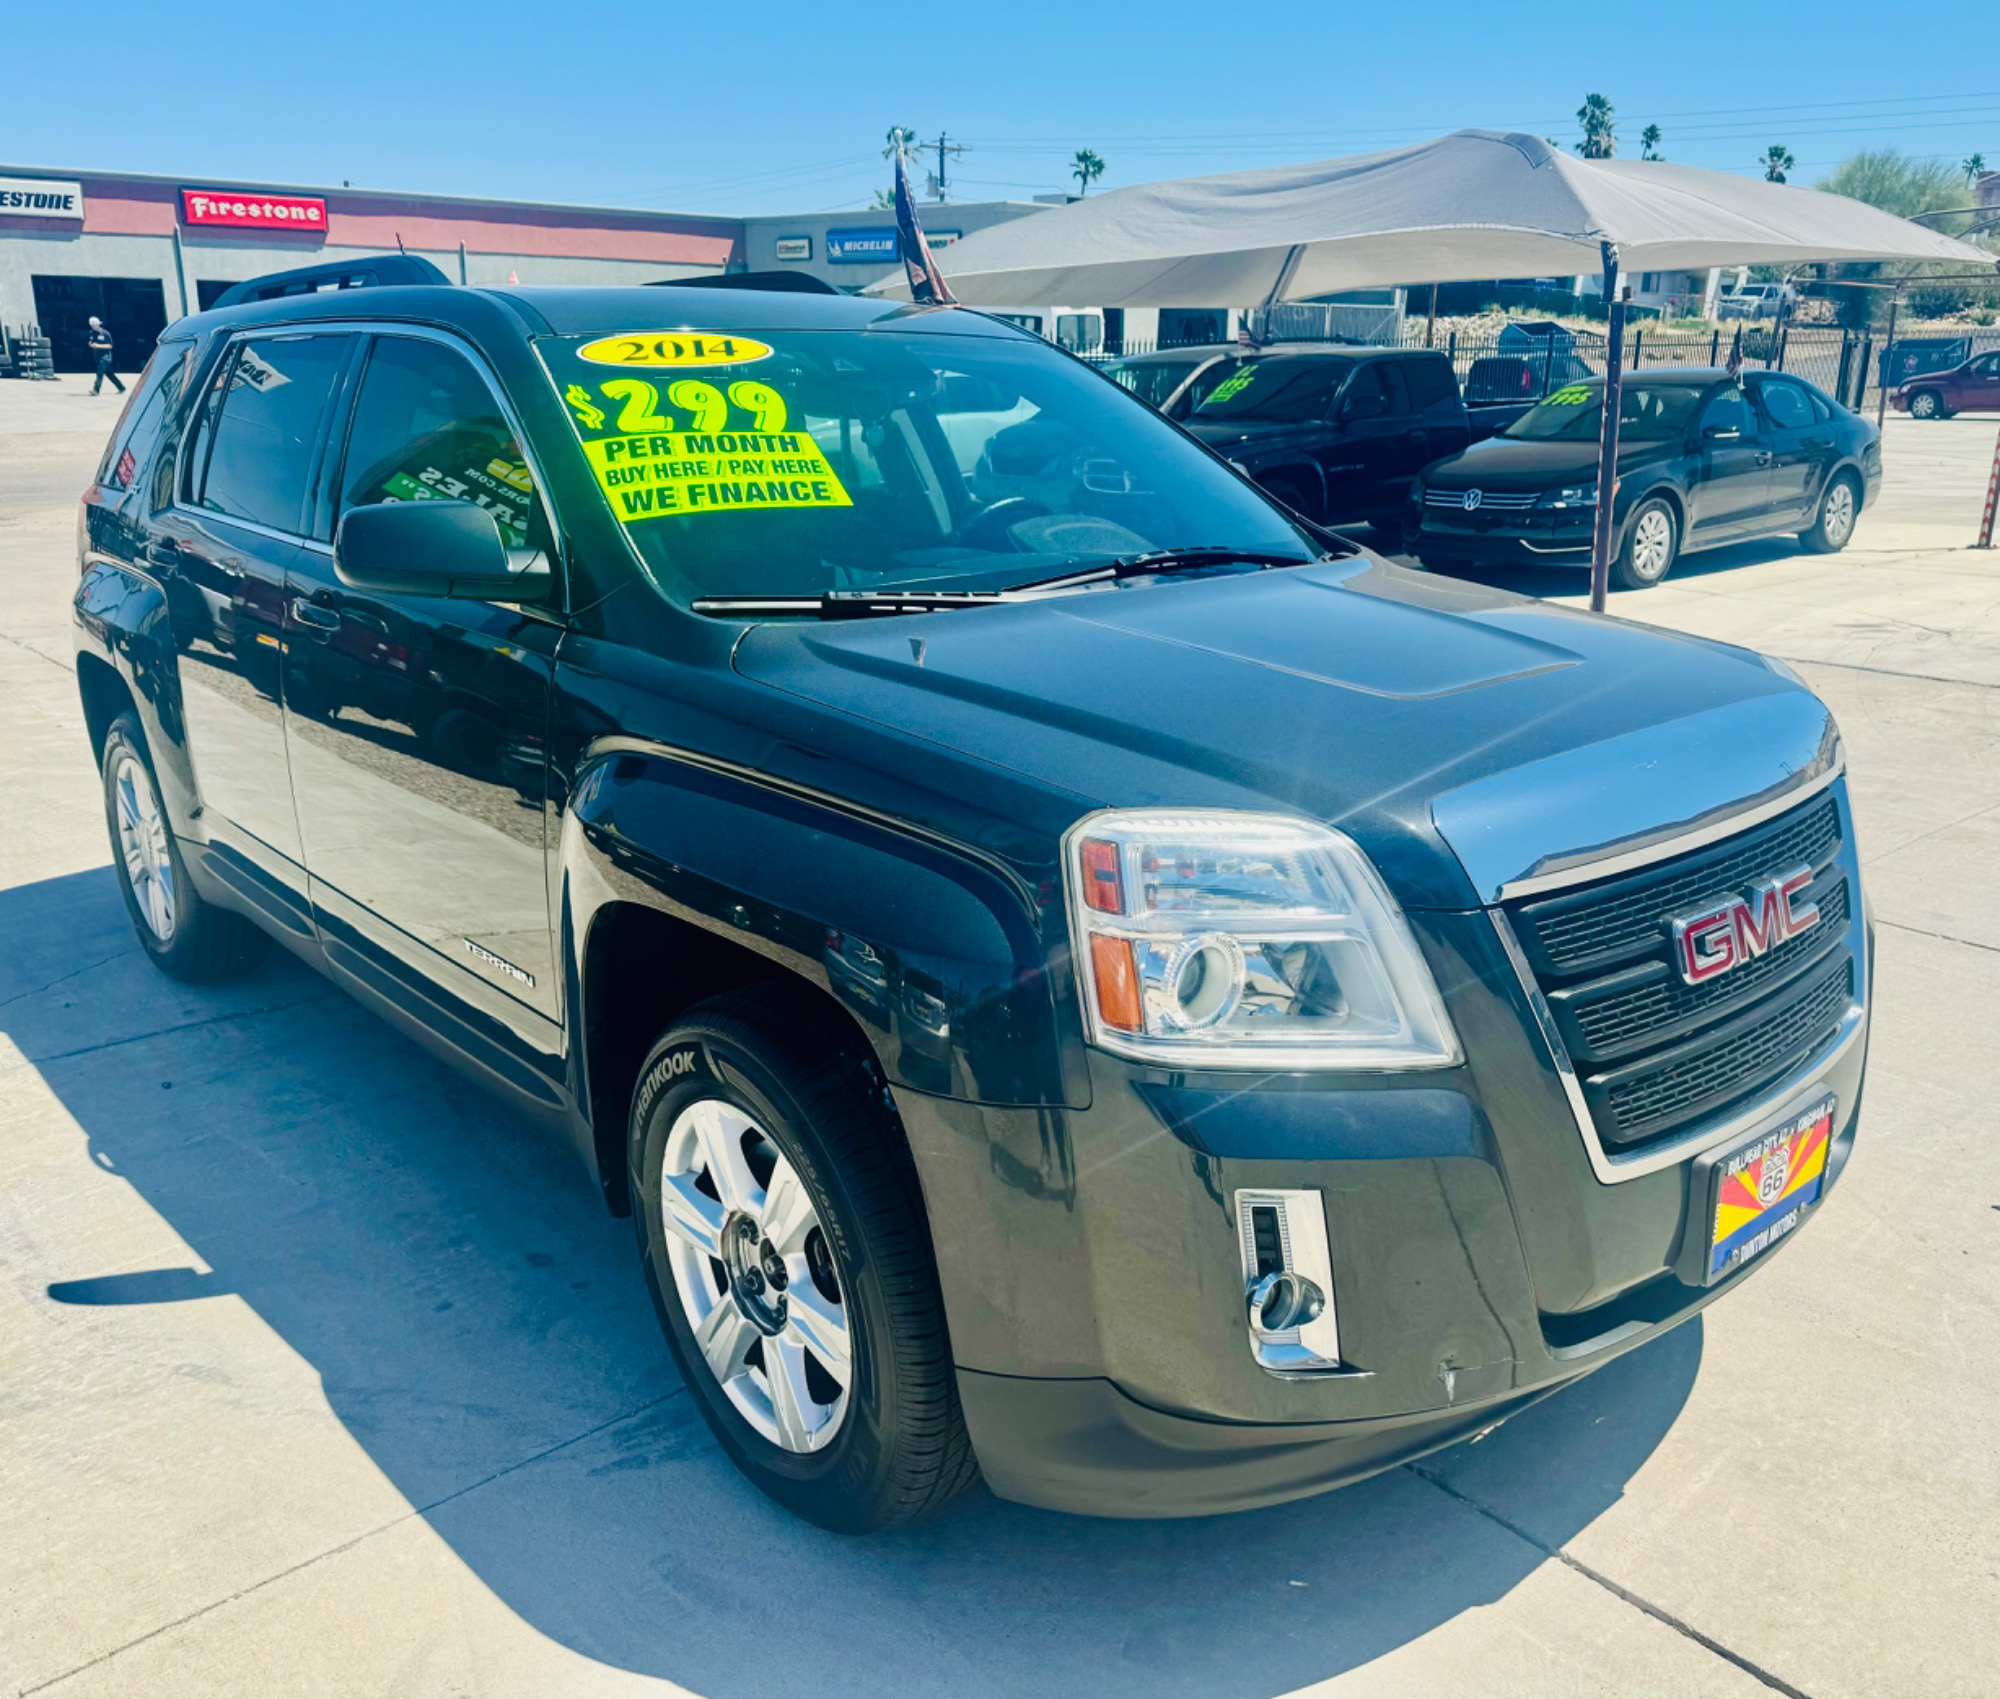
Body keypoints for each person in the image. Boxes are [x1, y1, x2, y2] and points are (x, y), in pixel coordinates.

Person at [87, 317, 123, 396]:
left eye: (94, 325)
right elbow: (91, 341)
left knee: (99, 373)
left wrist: (99, 346)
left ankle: (96, 390)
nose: (93, 327)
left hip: (105, 357)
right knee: (109, 374)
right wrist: (91, 344)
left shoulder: (105, 333)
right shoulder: (92, 333)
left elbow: (110, 346)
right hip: (97, 356)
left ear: (98, 324)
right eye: (91, 325)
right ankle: (121, 387)